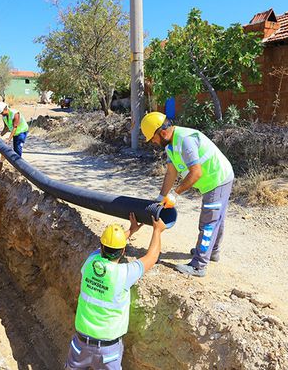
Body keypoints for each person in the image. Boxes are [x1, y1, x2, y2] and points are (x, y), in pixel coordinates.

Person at [65, 214, 166, 369]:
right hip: (108, 351)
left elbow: (106, 247)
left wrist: (130, 231)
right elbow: (152, 257)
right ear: (123, 251)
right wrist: (157, 231)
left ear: (101, 247)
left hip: (81, 345)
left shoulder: (91, 261)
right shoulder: (123, 274)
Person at [140, 112, 234, 277]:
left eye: (152, 138)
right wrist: (161, 197)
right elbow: (171, 173)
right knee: (216, 217)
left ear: (161, 132)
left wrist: (175, 194)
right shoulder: (170, 145)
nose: (153, 142)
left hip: (217, 180)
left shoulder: (185, 140)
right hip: (214, 180)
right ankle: (212, 251)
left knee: (209, 222)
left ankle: (199, 265)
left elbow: (195, 173)